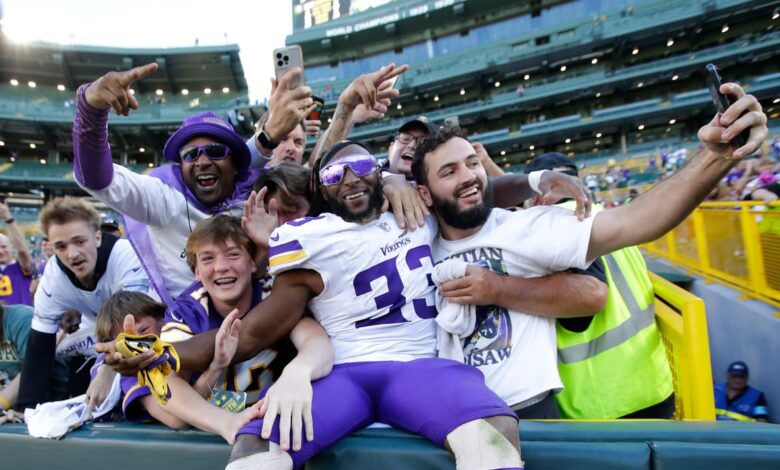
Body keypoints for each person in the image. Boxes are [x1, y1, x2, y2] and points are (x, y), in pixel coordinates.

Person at [411, 81, 767, 419]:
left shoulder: (527, 227)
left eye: (472, 163)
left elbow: (636, 221)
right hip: (452, 415)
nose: (468, 176)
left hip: (532, 416)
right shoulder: (413, 243)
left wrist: (716, 156)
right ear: (424, 194)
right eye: (449, 171)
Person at [75, 63, 425, 305]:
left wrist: (391, 179)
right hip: (185, 324)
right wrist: (91, 110)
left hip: (259, 321)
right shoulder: (161, 197)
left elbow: (319, 179)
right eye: (190, 155)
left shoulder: (258, 191)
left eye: (215, 151)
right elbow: (96, 177)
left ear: (237, 163)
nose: (202, 161)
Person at [524, 152, 674, 419]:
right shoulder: (605, 215)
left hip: (603, 403)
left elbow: (580, 315)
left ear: (540, 194)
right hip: (654, 384)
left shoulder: (555, 224)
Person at [15, 197, 149, 410]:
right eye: (61, 246)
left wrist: (107, 370)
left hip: (147, 329)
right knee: (71, 358)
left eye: (79, 241)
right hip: (98, 329)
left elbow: (131, 323)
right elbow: (40, 346)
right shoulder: (53, 277)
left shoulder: (125, 254)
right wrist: (26, 409)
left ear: (97, 237)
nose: (72, 254)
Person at [1, 304, 68, 415]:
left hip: (52, 408)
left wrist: (1, 403)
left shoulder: (21, 319)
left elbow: (33, 371)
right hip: (14, 412)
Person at [0, 202, 35, 306]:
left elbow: (23, 251)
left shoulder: (21, 267)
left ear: (12, 247)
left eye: (4, 247)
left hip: (20, 319)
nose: (1, 251)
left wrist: (9, 218)